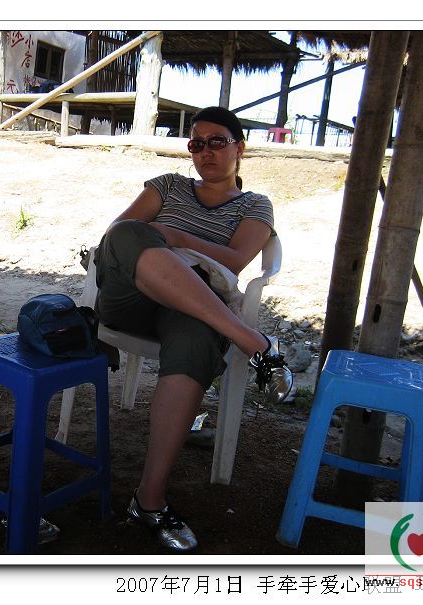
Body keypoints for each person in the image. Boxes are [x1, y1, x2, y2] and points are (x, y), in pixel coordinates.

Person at [93, 106, 293, 552]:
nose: (205, 151)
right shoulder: (167, 185)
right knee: (129, 233)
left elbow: (237, 260)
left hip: (192, 307)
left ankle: (148, 500)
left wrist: (178, 237)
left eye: (217, 141)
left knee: (198, 341)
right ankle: (253, 342)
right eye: (196, 143)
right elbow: (117, 236)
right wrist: (155, 237)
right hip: (130, 296)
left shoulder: (254, 205)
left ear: (240, 148)